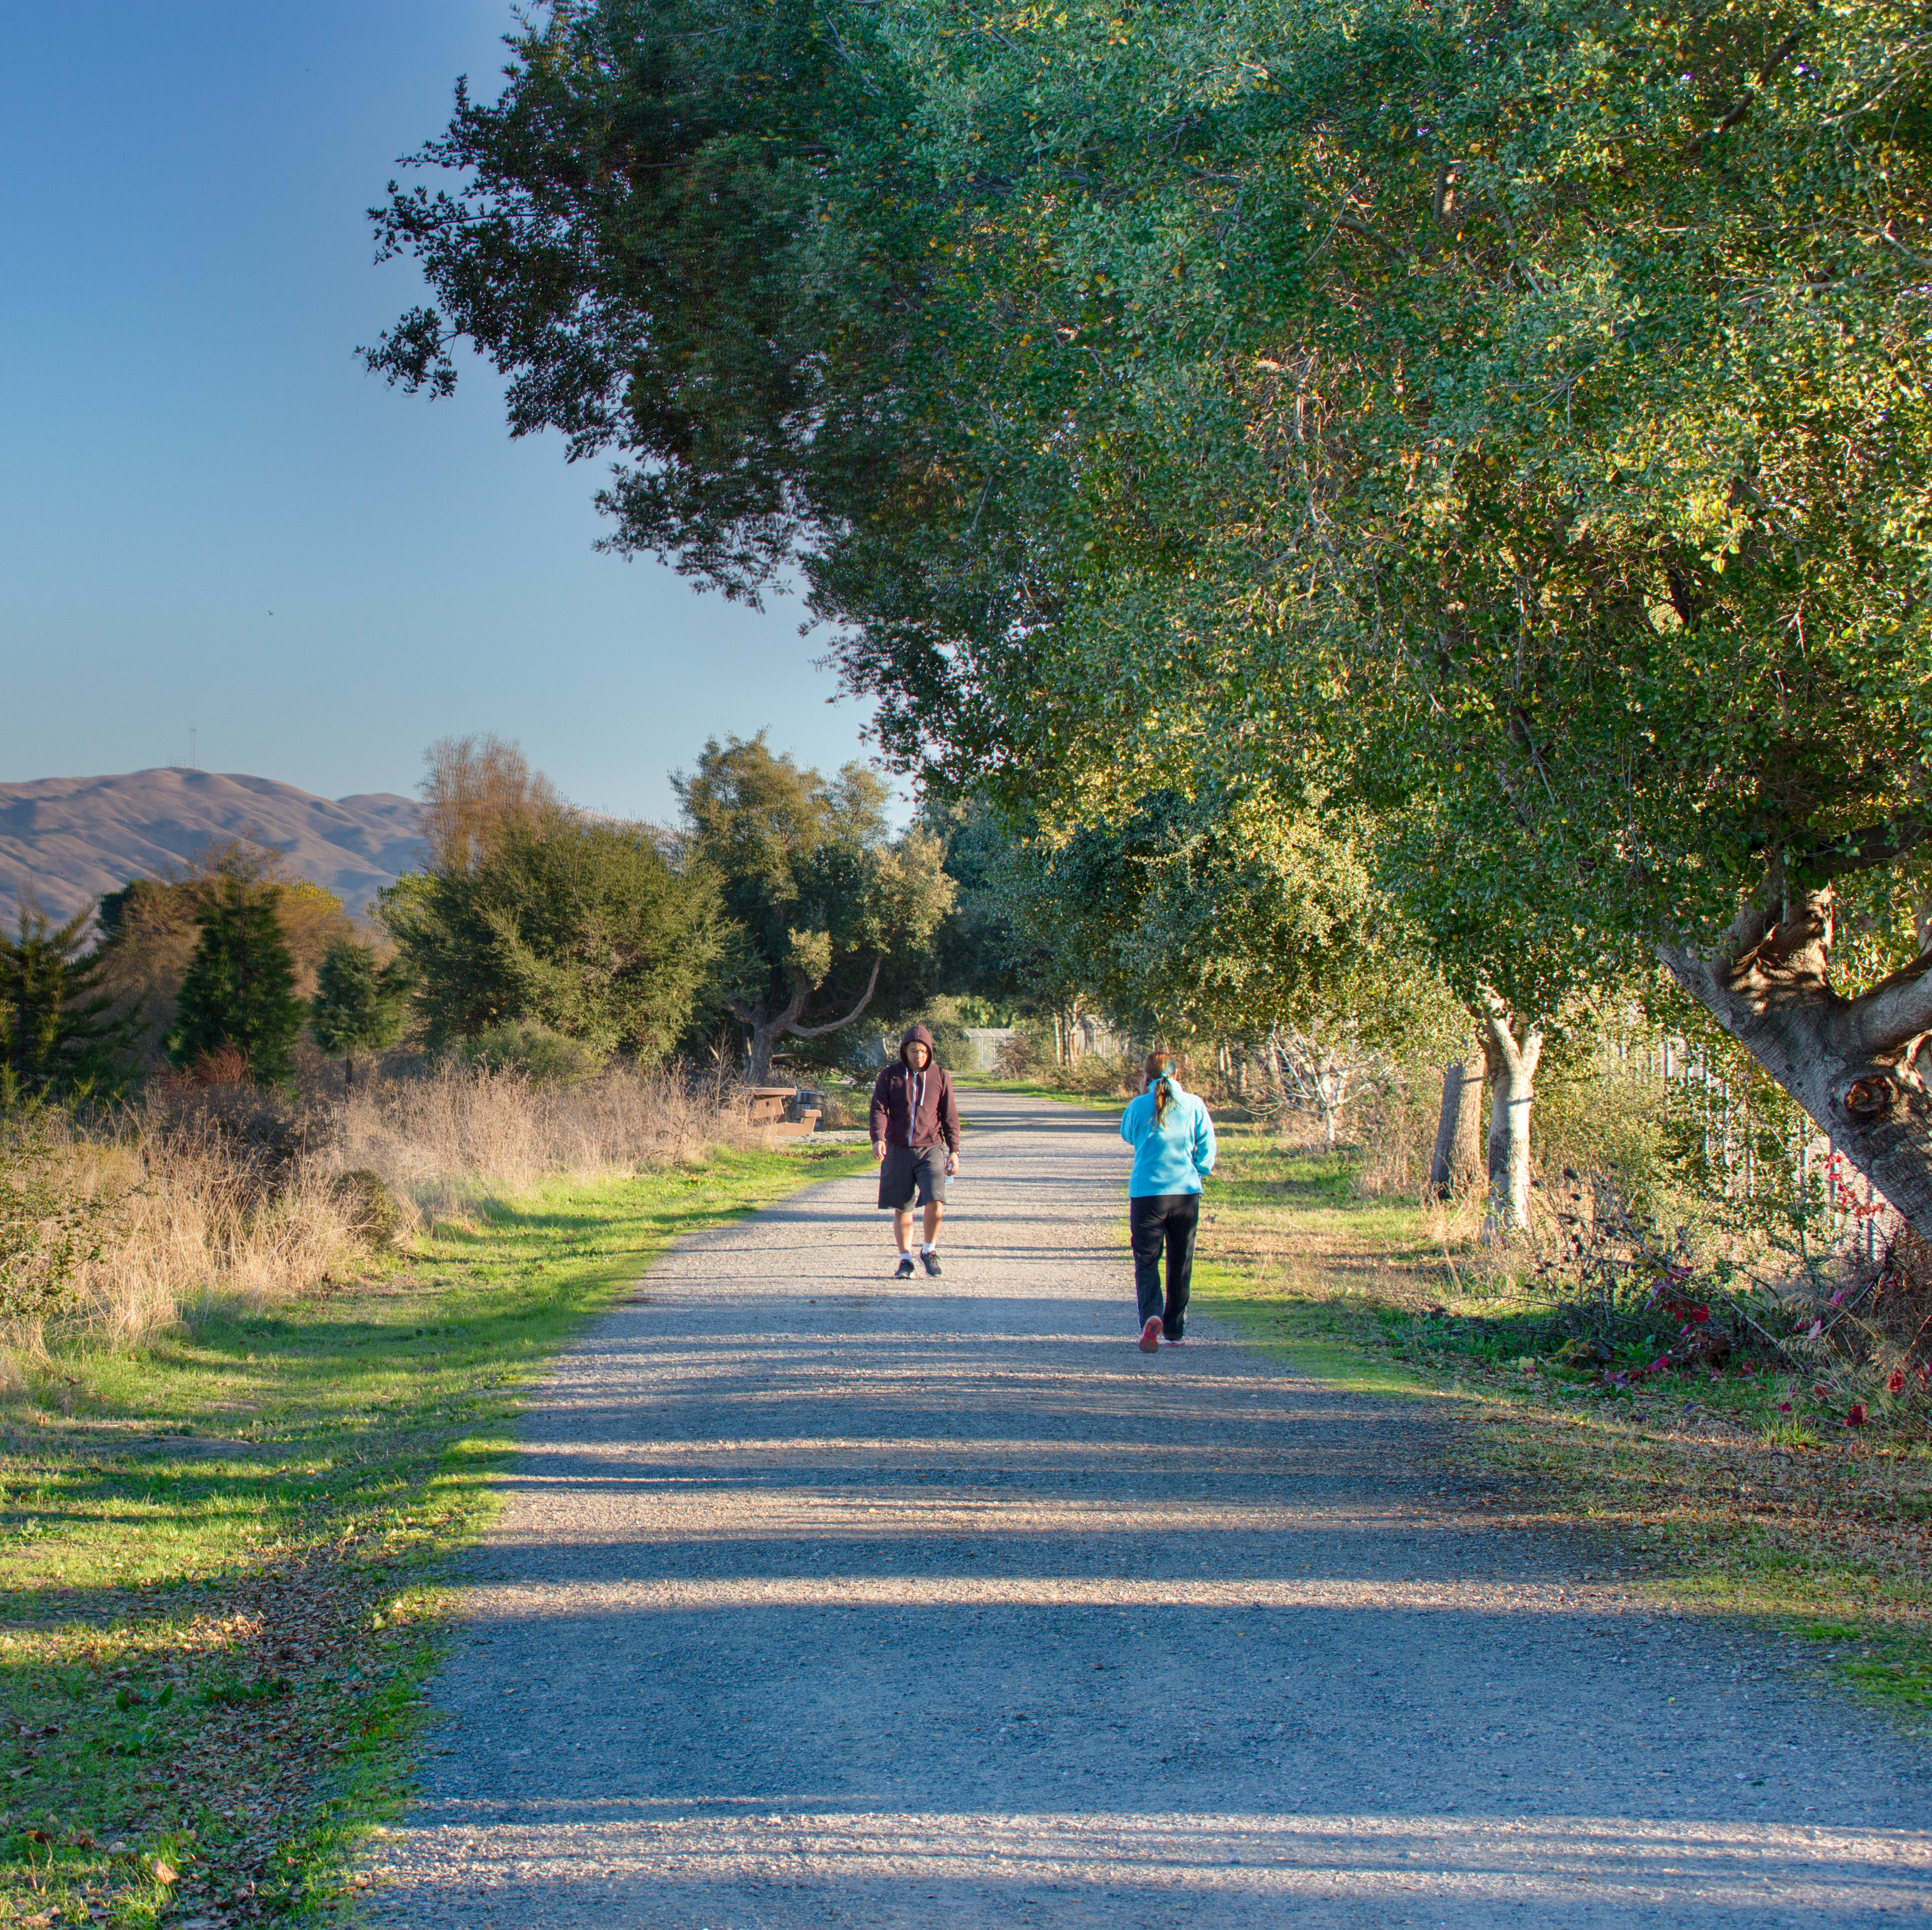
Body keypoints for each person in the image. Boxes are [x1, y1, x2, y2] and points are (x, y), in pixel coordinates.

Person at [1119, 1048, 1217, 1352]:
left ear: (1145, 1076)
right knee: (1180, 1261)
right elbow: (1207, 1150)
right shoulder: (1194, 1104)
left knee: (1146, 1261)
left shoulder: (1138, 1105)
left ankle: (1151, 1315)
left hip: (1147, 1195)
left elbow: (1128, 1136)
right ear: (1177, 1074)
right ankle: (1174, 1330)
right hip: (1185, 1193)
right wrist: (1197, 1170)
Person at [869, 1023, 961, 1278]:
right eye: (913, 1051)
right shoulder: (890, 1076)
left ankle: (929, 1250)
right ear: (904, 1051)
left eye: (923, 1051)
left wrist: (954, 1150)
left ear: (929, 1051)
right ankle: (906, 1260)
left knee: (936, 1200)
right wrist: (878, 1138)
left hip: (931, 1147)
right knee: (904, 1208)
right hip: (898, 1149)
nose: (918, 1056)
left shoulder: (940, 1076)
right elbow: (878, 1109)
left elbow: (950, 1115)